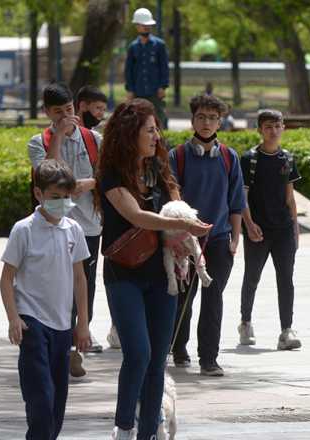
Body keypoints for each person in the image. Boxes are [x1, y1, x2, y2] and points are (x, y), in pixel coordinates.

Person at [98, 98, 211, 439]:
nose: (156, 136)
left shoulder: (159, 168)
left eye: (156, 130)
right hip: (124, 272)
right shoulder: (111, 174)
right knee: (138, 353)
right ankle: (124, 427)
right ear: (129, 133)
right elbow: (136, 216)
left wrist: (185, 233)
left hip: (163, 275)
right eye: (149, 130)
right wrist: (181, 226)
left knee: (158, 358)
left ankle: (150, 430)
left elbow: (177, 206)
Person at [0, 159, 92, 439]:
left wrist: (83, 324)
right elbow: (6, 278)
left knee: (57, 402)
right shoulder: (24, 229)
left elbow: (80, 279)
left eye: (66, 197)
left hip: (63, 325)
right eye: (54, 197)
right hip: (32, 322)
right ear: (38, 193)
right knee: (40, 396)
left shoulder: (73, 229)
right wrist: (14, 318)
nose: (61, 203)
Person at [28, 82, 104, 377]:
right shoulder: (39, 141)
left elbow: (109, 176)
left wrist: (90, 183)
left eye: (69, 109)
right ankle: (57, 348)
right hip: (54, 227)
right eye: (58, 112)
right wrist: (58, 137)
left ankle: (77, 345)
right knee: (54, 288)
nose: (65, 116)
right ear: (47, 112)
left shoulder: (94, 139)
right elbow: (49, 176)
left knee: (85, 287)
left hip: (89, 226)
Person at [168, 94, 245, 375]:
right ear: (192, 120)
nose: (206, 123)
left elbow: (236, 201)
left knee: (213, 299)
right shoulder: (177, 156)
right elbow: (172, 198)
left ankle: (209, 359)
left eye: (213, 118)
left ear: (220, 122)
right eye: (201, 117)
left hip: (219, 238)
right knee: (183, 298)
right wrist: (179, 235)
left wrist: (235, 238)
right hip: (186, 239)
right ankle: (178, 348)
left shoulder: (228, 157)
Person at [239, 110, 302, 350]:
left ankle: (287, 330)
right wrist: (249, 224)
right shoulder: (250, 159)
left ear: (283, 127)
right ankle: (245, 322)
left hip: (283, 229)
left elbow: (290, 197)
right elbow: (242, 197)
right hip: (258, 229)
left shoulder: (287, 158)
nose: (273, 131)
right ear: (260, 130)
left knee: (286, 279)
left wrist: (295, 228)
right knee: (252, 277)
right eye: (268, 127)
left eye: (277, 126)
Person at [125, 7, 170, 129]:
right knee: (138, 120)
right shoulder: (133, 47)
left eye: (148, 25)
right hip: (138, 90)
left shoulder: (159, 45)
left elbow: (164, 67)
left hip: (155, 90)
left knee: (158, 118)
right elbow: (129, 70)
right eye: (143, 25)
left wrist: (163, 86)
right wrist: (130, 89)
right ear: (137, 26)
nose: (146, 27)